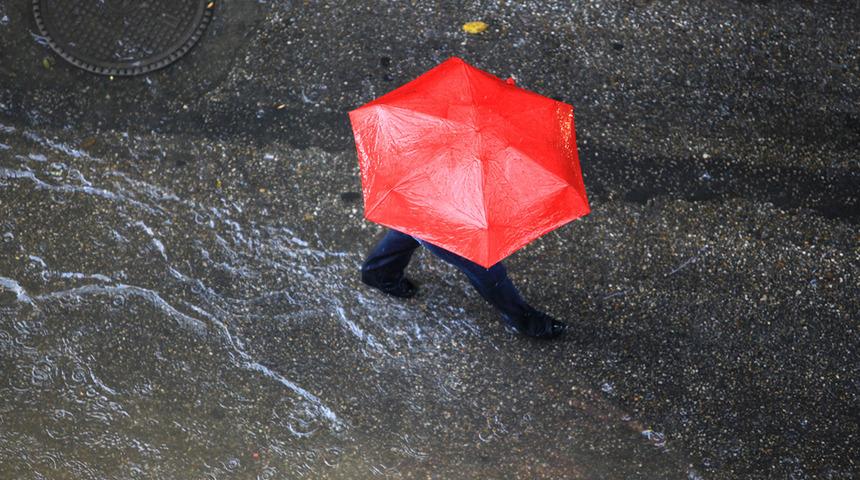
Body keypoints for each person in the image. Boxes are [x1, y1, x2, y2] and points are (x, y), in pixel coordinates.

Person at [361, 229, 567, 339]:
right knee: (486, 269)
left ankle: (379, 271)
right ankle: (525, 319)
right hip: (444, 209)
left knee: (413, 218)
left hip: (427, 188)